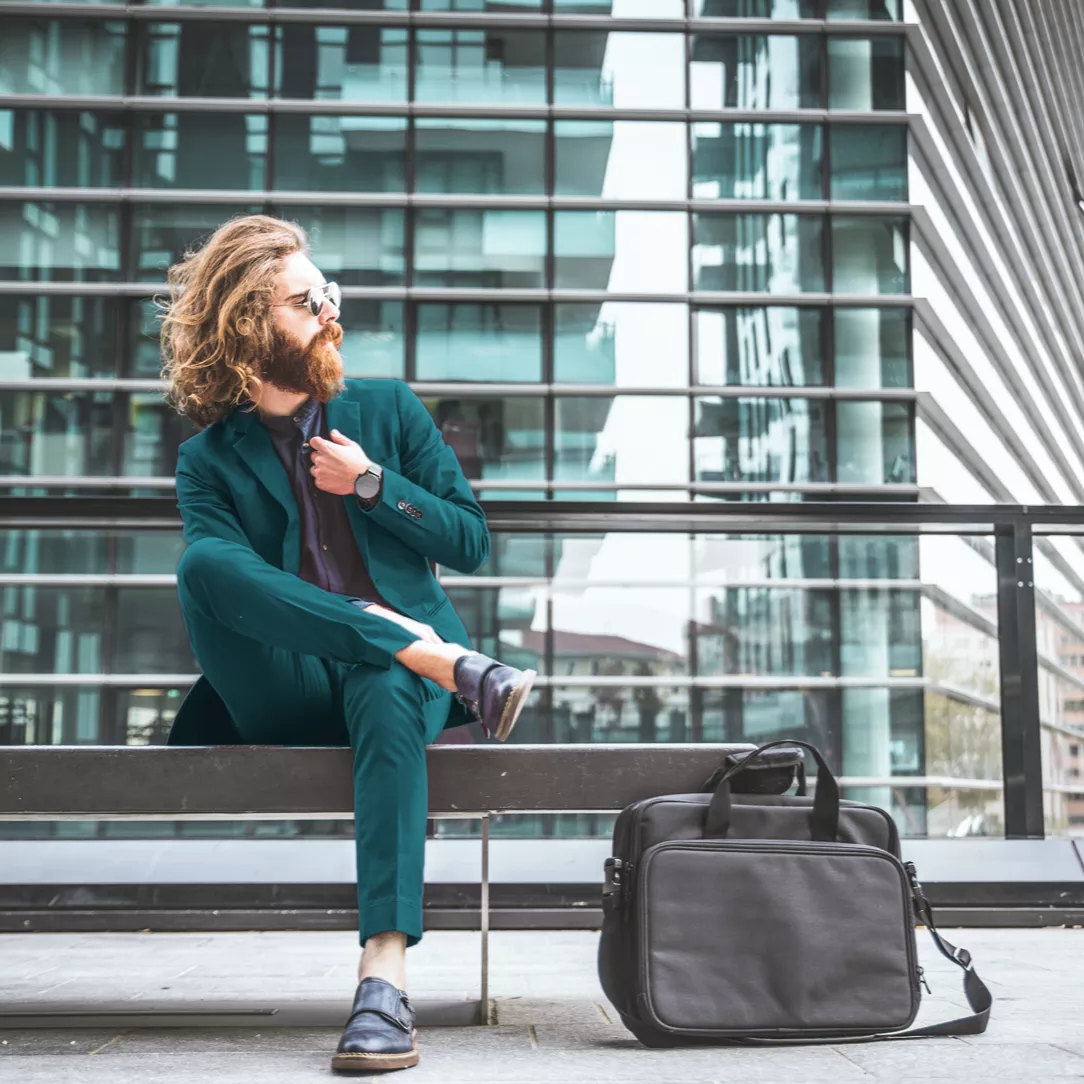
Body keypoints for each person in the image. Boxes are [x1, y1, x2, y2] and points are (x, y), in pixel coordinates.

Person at [158, 213, 536, 1073]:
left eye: (327, 292)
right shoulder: (209, 459)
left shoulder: (388, 410)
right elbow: (224, 582)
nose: (330, 310)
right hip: (283, 685)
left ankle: (383, 980)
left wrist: (370, 483)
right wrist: (408, 639)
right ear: (251, 328)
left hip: (393, 688)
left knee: (389, 677)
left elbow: (469, 540)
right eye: (304, 301)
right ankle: (420, 651)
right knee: (204, 567)